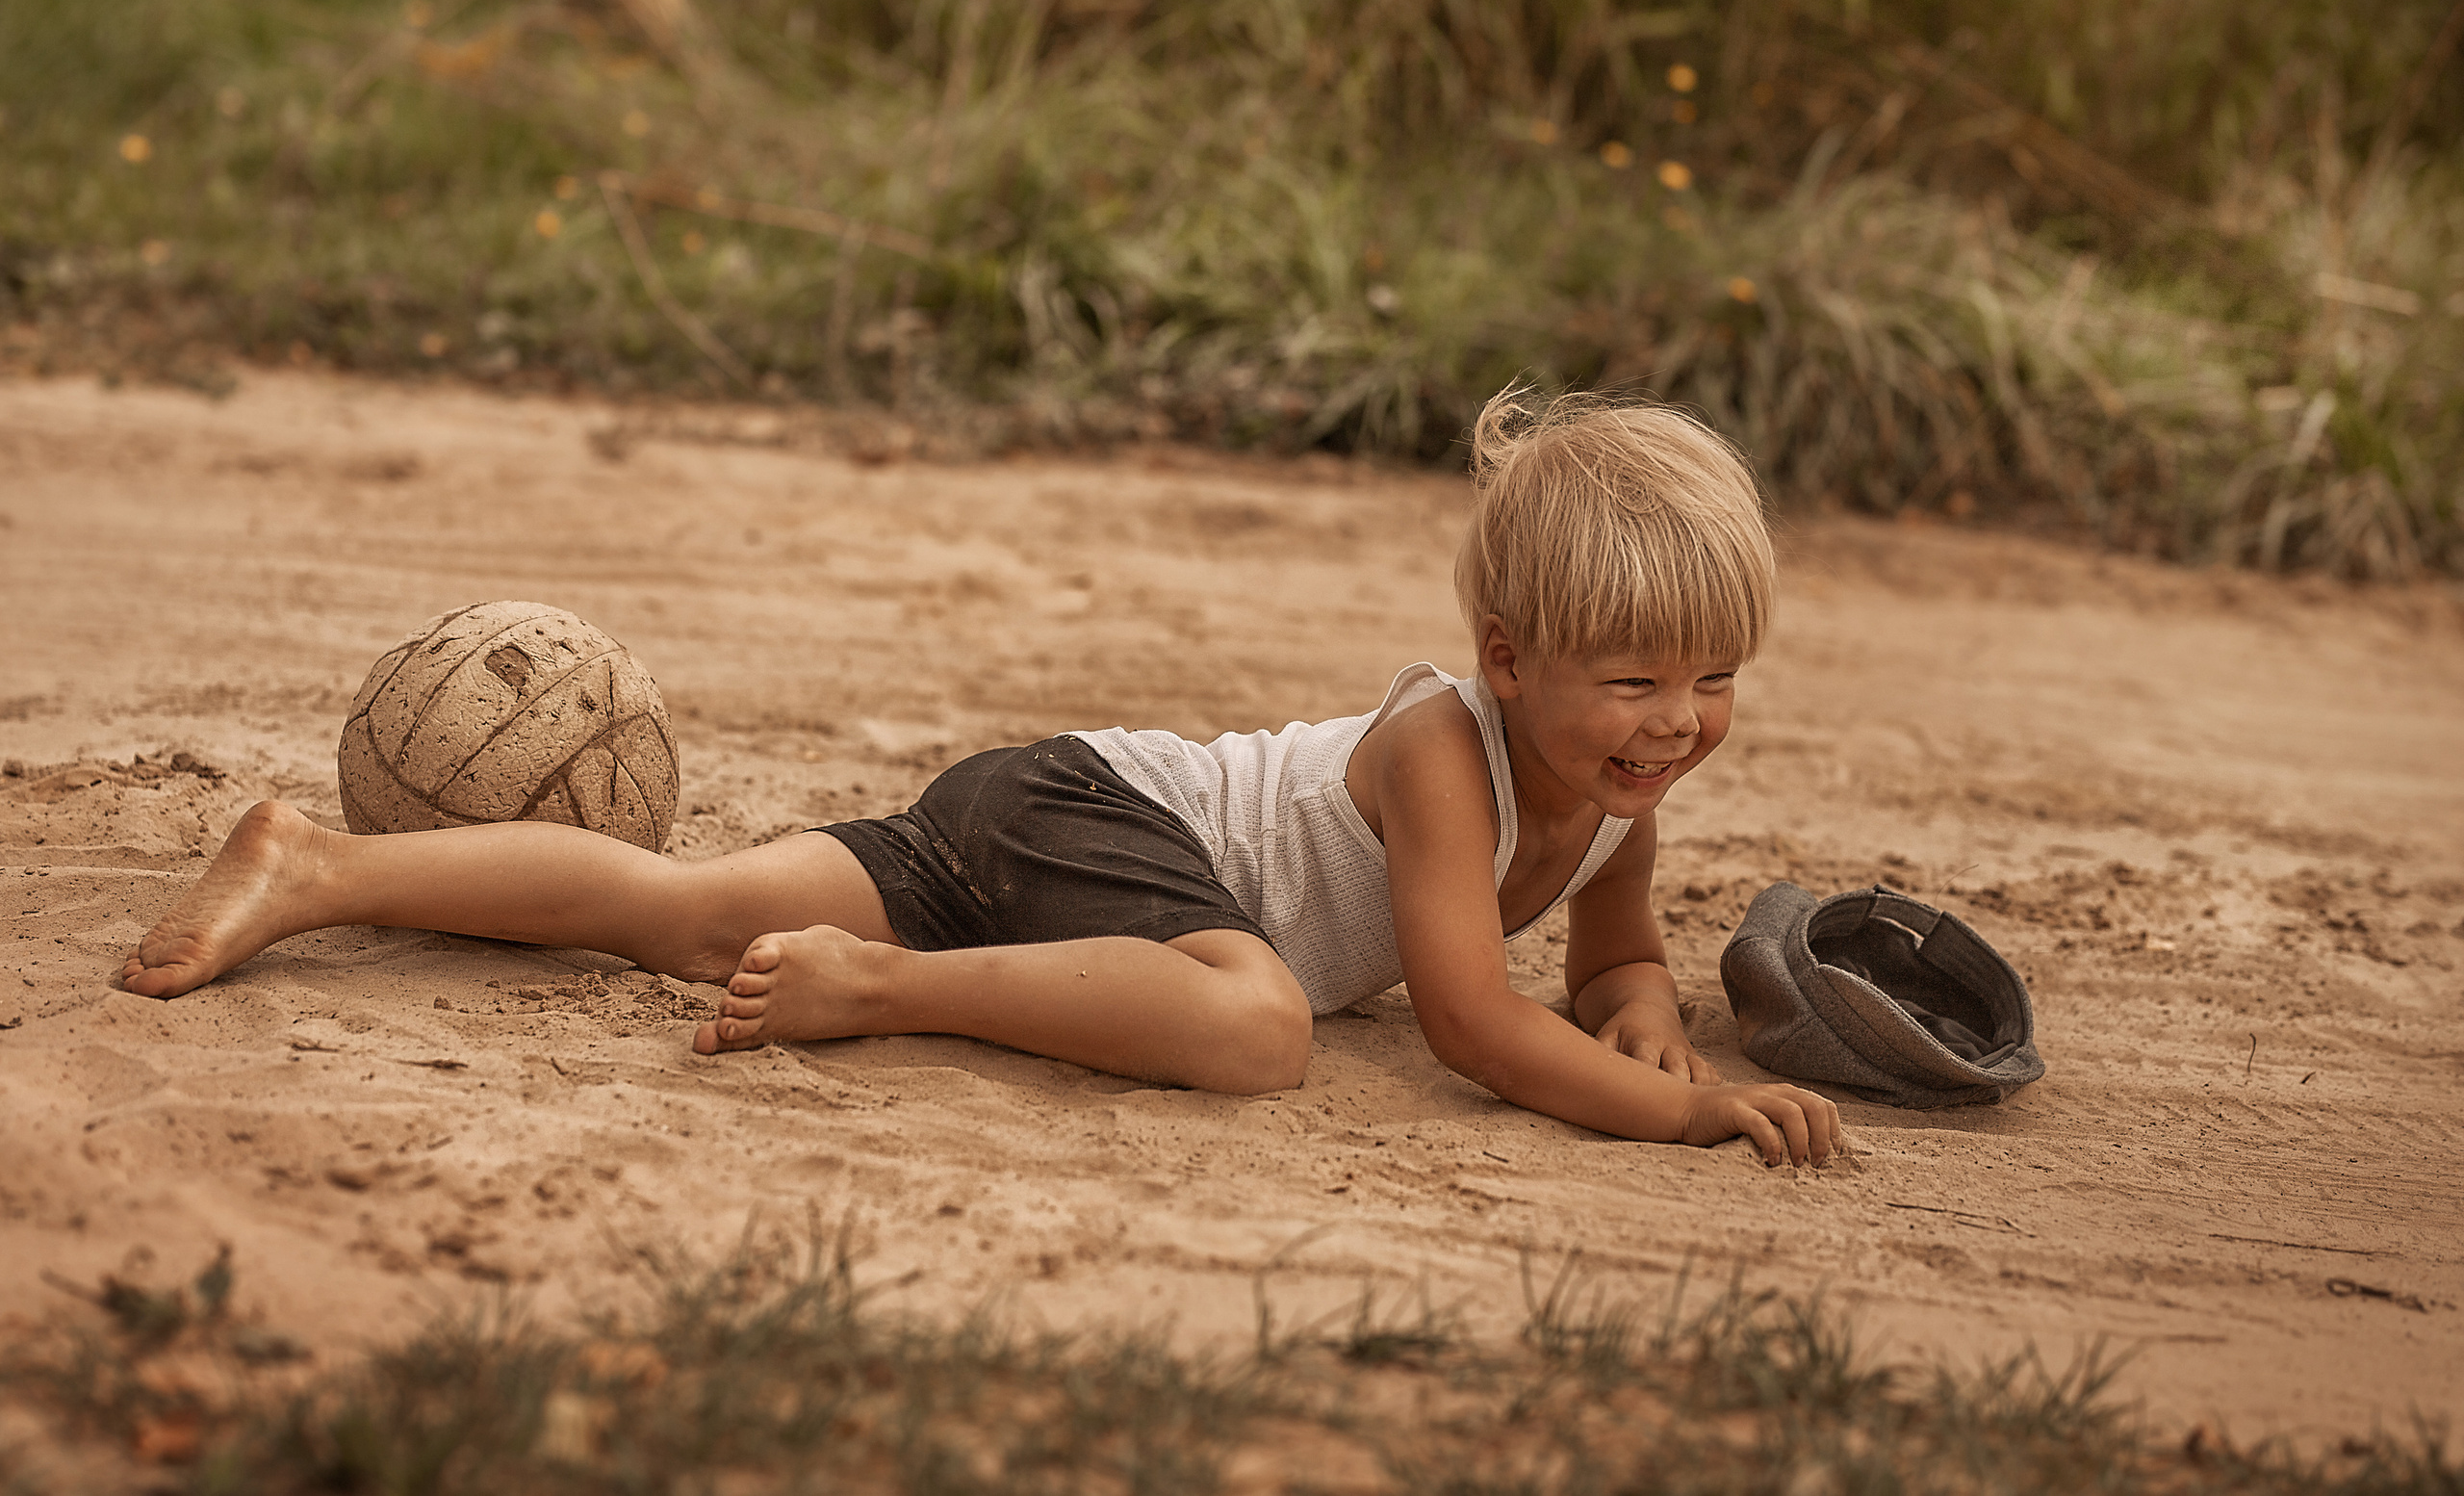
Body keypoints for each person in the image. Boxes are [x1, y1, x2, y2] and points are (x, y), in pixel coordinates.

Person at [125, 390, 1840, 1167]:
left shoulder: (1616, 785)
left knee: (691, 909)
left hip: (1038, 831)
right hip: (1104, 824)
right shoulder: (1446, 751)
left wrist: (1637, 1008)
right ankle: (877, 991)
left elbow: (1612, 953)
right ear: (1508, 656)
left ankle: (316, 865)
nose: (1675, 721)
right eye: (1636, 679)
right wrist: (1679, 1110)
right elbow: (1470, 1023)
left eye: (1713, 679)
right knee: (1259, 1024)